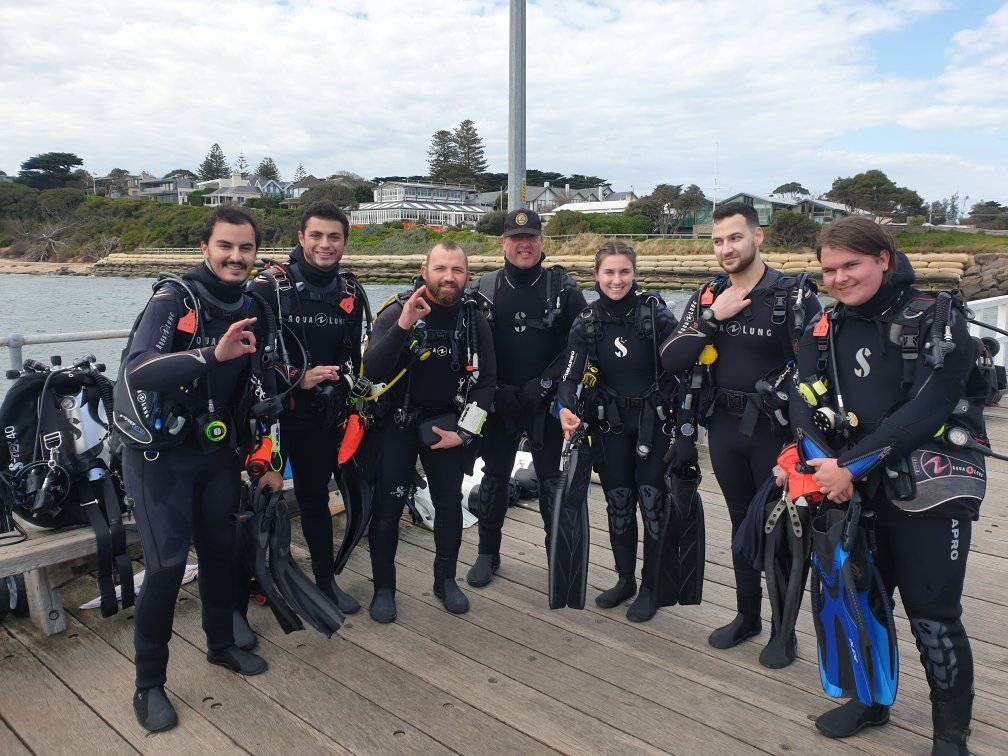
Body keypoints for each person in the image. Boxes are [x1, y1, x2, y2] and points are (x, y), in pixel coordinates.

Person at [790, 217, 981, 754]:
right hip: (855, 488)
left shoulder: (936, 319)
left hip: (929, 491)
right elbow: (800, 401)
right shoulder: (824, 327)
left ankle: (951, 735)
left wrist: (851, 468)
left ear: (884, 260)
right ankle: (869, 701)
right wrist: (828, 467)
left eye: (851, 265)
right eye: (828, 269)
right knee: (861, 603)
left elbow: (930, 405)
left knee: (934, 618)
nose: (838, 279)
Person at [117, 207, 284, 732]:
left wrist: (266, 437)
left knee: (220, 553)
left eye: (246, 248)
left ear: (256, 253)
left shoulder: (254, 302)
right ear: (205, 248)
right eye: (225, 247)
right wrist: (213, 353)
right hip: (159, 459)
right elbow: (139, 369)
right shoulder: (175, 298)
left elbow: (256, 381)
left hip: (216, 454)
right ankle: (149, 685)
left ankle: (218, 646)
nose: (236, 257)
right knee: (166, 569)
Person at [660, 203, 820, 661]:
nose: (726, 248)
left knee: (783, 531)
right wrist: (713, 319)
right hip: (725, 432)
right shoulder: (709, 296)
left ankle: (782, 631)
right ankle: (746, 616)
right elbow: (672, 358)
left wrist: (802, 443)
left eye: (735, 238)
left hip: (776, 433)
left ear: (758, 237)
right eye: (718, 241)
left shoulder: (792, 296)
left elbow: (813, 372)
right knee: (740, 526)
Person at [361, 241, 496, 622]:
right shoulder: (397, 310)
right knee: (387, 509)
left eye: (457, 270)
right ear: (425, 271)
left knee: (449, 505)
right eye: (440, 268)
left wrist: (466, 433)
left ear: (468, 276)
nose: (448, 277)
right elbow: (370, 372)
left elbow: (487, 384)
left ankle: (445, 580)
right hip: (396, 425)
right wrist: (404, 325)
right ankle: (383, 588)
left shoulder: (474, 318)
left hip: (447, 428)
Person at [246, 201, 368, 619]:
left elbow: (355, 358)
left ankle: (324, 582)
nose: (325, 244)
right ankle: (256, 582)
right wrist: (300, 377)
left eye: (334, 236)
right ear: (300, 238)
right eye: (316, 235)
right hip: (275, 416)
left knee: (316, 499)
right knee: (259, 500)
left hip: (323, 415)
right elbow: (250, 360)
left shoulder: (351, 292)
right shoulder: (268, 288)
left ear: (345, 242)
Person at [466, 208, 588, 587]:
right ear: (504, 243)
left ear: (541, 241)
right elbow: (470, 347)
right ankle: (488, 552)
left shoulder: (564, 289)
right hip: (500, 401)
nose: (524, 245)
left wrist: (548, 384)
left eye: (531, 237)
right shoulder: (484, 289)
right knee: (495, 476)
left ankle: (558, 556)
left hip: (545, 402)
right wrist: (495, 388)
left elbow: (580, 346)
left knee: (552, 480)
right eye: (516, 239)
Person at [556, 241, 678, 620]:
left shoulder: (655, 315)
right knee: (619, 505)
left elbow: (684, 362)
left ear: (634, 273)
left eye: (624, 271)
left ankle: (651, 587)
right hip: (610, 426)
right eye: (609, 272)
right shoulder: (587, 322)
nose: (617, 279)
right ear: (596, 275)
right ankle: (625, 579)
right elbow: (568, 375)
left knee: (652, 505)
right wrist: (564, 409)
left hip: (653, 426)